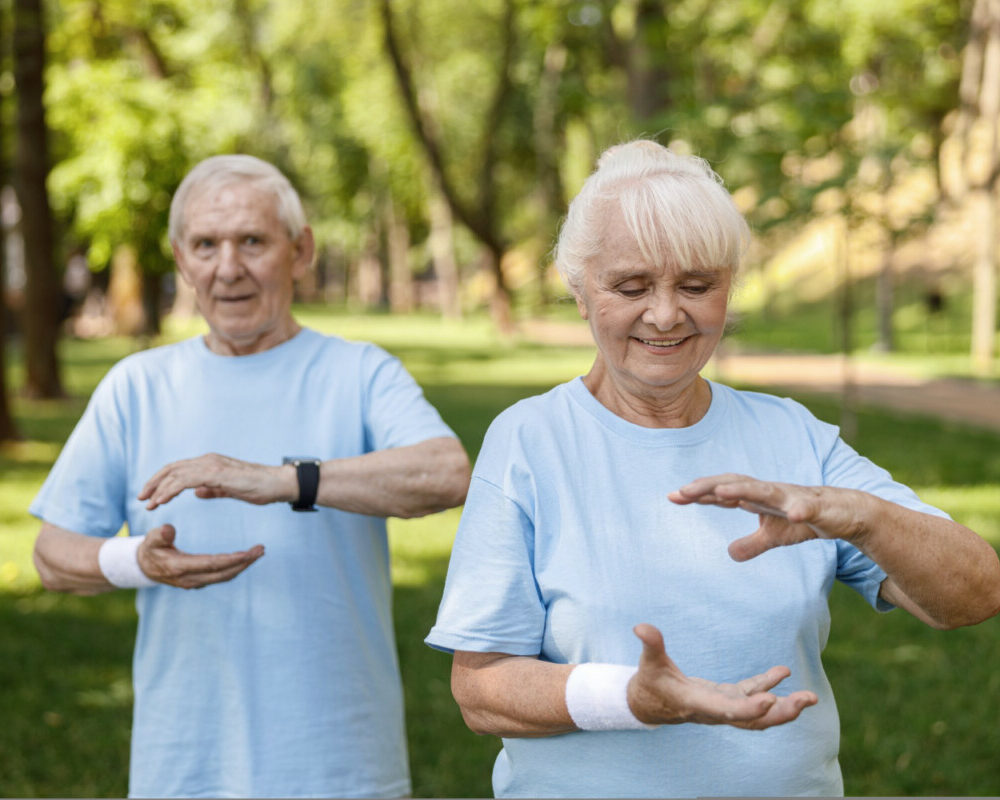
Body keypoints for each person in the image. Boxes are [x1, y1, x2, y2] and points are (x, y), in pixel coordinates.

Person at [424, 140, 1000, 798]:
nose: (667, 314)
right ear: (581, 292)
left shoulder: (791, 434)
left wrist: (865, 518)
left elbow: (976, 594)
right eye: (631, 286)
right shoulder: (530, 441)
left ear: (729, 289)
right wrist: (633, 699)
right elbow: (481, 691)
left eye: (697, 286)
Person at [30, 154, 470, 799]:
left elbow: (446, 471)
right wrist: (138, 562)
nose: (228, 267)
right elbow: (51, 555)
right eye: (206, 245)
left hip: (342, 765)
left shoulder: (359, 372)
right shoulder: (137, 385)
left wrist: (287, 480)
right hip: (183, 766)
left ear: (301, 250)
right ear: (181, 260)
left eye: (252, 242)